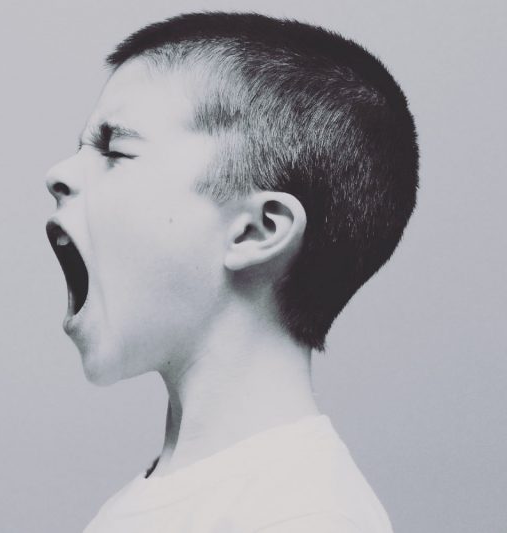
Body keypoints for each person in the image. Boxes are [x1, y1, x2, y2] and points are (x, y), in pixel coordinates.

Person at [44, 12, 417, 533]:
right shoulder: (161, 498)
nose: (57, 174)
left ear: (256, 230)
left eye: (114, 150)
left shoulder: (305, 518)